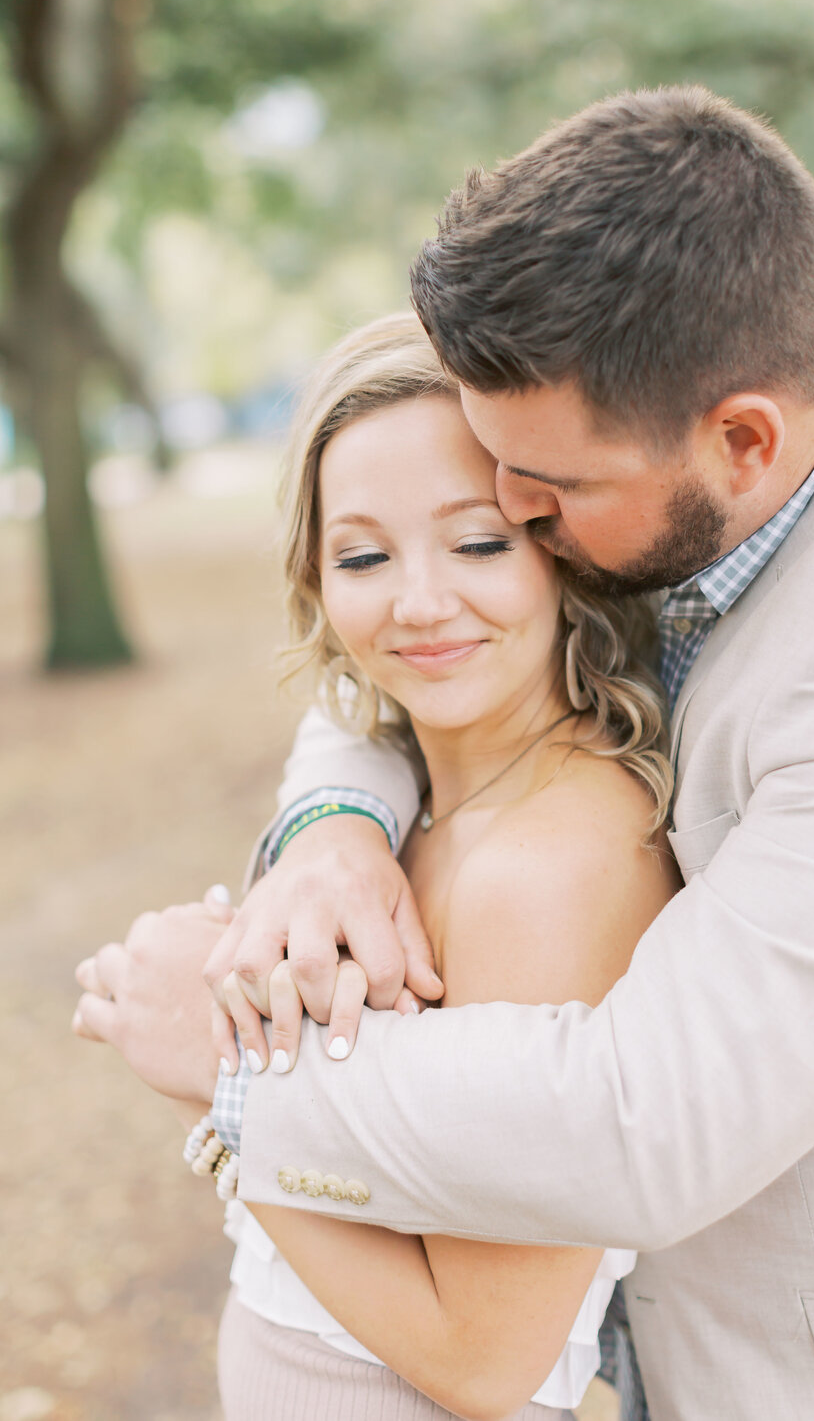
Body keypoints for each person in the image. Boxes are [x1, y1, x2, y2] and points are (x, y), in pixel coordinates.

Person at [75, 85, 814, 1421]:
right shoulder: (689, 439)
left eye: (537, 501)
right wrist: (332, 831)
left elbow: (653, 1119)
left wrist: (233, 1072)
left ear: (743, 440)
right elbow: (426, 656)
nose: (513, 520)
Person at [77, 311, 678, 1420]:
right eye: (363, 554)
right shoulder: (409, 804)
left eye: (479, 543)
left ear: (560, 551)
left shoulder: (550, 868)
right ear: (314, 574)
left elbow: (485, 1358)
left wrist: (217, 1094)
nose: (418, 602)